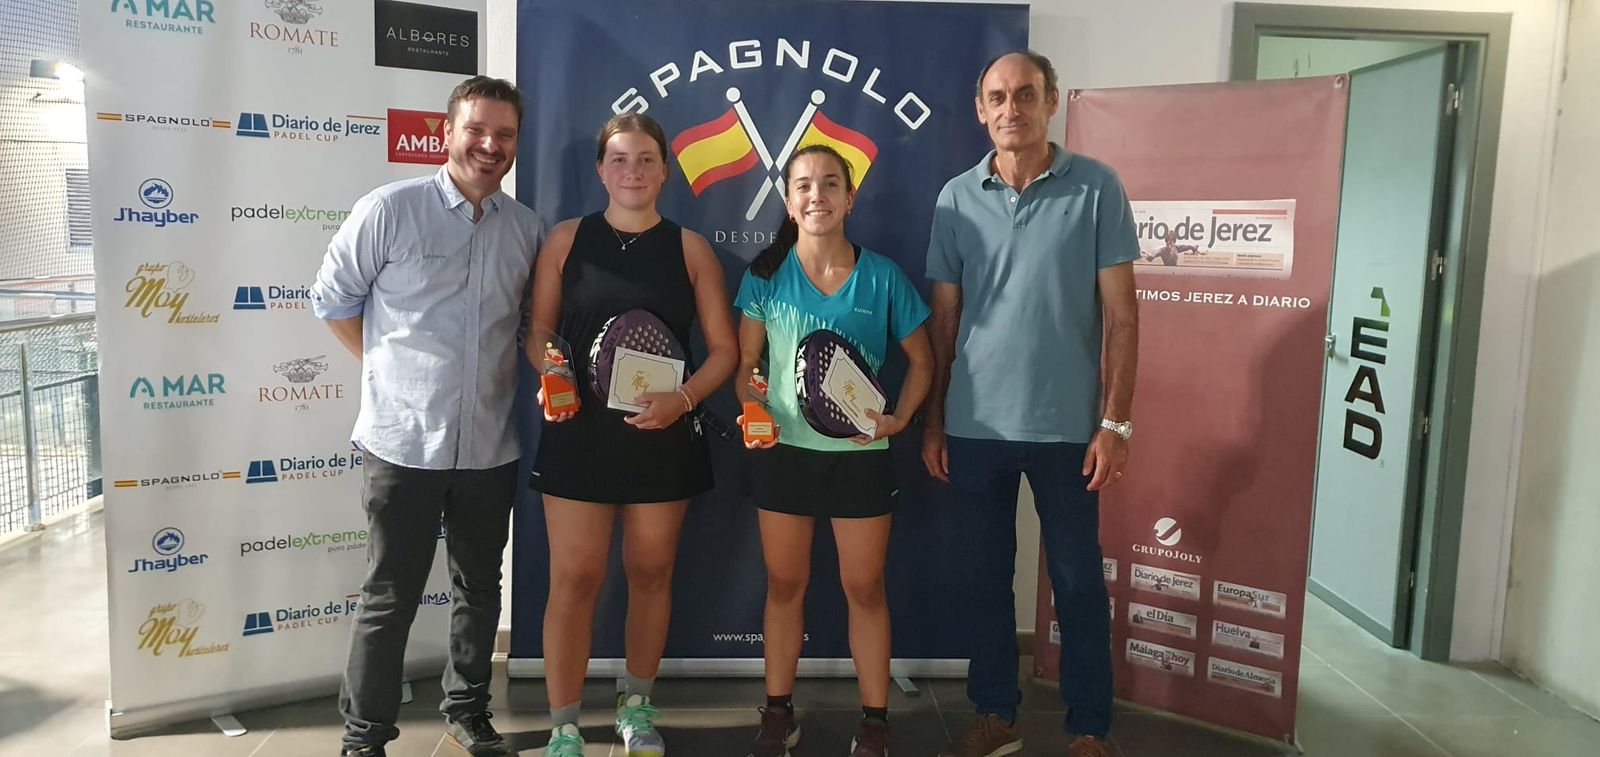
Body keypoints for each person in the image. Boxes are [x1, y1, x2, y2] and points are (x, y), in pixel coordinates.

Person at [310, 76, 542, 757]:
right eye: (477, 130)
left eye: (504, 135)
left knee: (479, 588)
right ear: (447, 132)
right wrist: (384, 367)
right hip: (401, 443)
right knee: (390, 595)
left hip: (489, 447)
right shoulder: (390, 209)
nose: (490, 145)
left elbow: (526, 324)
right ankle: (365, 736)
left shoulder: (525, 228)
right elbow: (332, 300)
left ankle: (468, 710)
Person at [923, 51, 1140, 757]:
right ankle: (995, 712)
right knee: (986, 578)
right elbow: (944, 323)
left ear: (1051, 103)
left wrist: (1114, 423)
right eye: (996, 98)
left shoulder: (1097, 188)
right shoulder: (956, 197)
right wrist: (933, 417)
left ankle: (1088, 725)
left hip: (1068, 429)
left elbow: (1123, 318)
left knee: (1078, 581)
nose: (1010, 109)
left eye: (1024, 95)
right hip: (975, 425)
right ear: (981, 110)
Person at [526, 112, 738, 757]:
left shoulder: (691, 248)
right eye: (619, 159)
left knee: (650, 572)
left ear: (666, 170)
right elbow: (536, 332)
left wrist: (683, 399)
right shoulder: (565, 240)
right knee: (576, 578)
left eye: (646, 159)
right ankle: (564, 724)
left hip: (663, 434)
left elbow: (725, 351)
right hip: (578, 435)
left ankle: (637, 707)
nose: (633, 171)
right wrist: (552, 370)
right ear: (600, 170)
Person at [735, 144, 933, 757]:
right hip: (786, 458)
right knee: (784, 585)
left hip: (860, 459)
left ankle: (874, 722)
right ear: (789, 202)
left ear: (850, 198)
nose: (816, 195)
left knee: (865, 588)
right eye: (802, 186)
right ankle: (777, 713)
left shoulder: (883, 275)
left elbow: (923, 361)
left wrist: (898, 419)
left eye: (829, 184)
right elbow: (745, 366)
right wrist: (752, 405)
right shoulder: (765, 274)